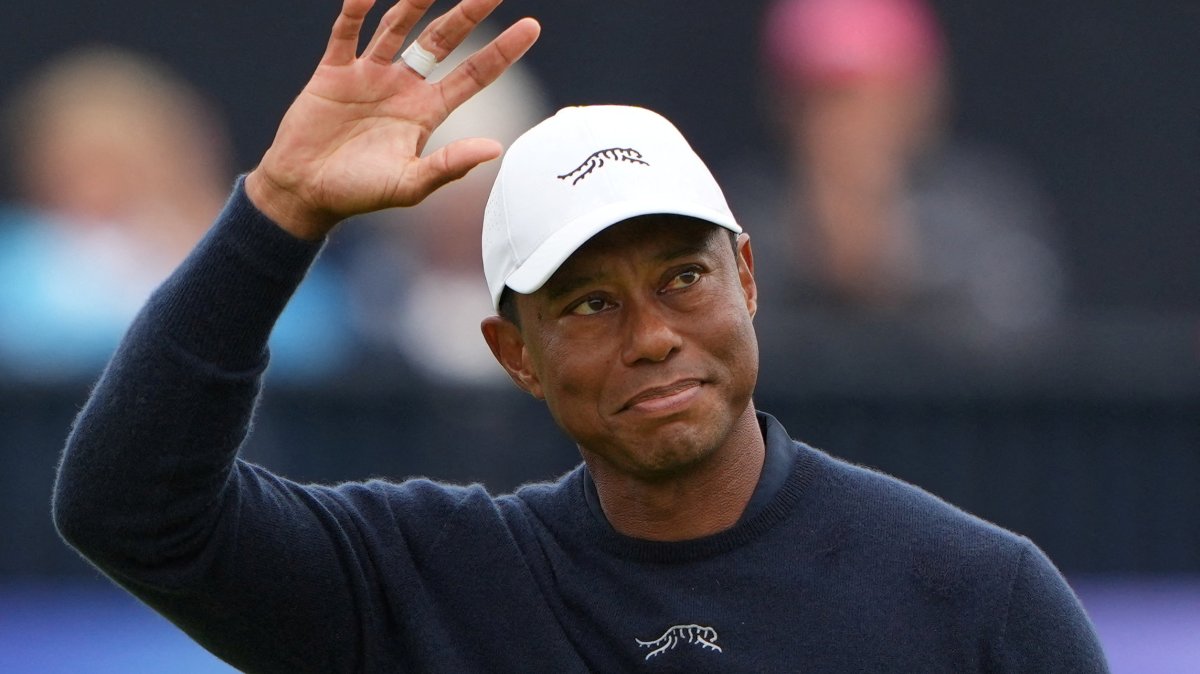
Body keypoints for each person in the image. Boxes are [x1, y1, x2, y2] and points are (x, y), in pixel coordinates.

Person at [51, 0, 1109, 671]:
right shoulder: (429, 581)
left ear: (747, 277)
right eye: (589, 302)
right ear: (514, 353)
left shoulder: (975, 596)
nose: (652, 335)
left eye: (683, 276)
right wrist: (278, 209)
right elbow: (128, 506)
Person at [0, 46, 353, 383]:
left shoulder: (230, 242)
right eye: (80, 166)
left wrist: (217, 252)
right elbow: (28, 341)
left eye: (122, 164)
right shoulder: (20, 253)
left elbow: (315, 339)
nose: (101, 187)